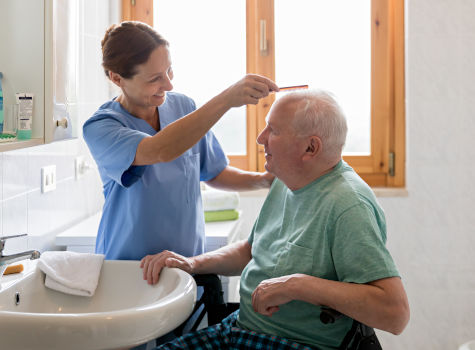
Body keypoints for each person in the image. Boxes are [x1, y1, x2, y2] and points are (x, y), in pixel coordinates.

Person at [141, 90, 410, 350]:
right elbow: (251, 250)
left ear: (310, 147)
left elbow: (395, 314)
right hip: (240, 330)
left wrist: (297, 285)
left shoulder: (348, 205)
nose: (261, 138)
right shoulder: (287, 179)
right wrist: (193, 263)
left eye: (274, 131)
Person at [83, 21, 278, 261]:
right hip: (129, 268)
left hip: (186, 263)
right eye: (155, 78)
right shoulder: (102, 127)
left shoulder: (184, 107)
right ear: (117, 78)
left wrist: (264, 181)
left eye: (169, 71)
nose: (168, 84)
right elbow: (159, 150)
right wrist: (227, 99)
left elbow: (213, 172)